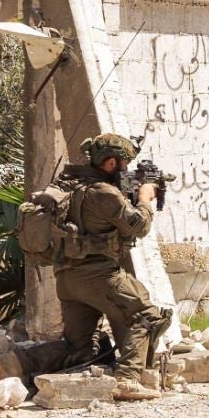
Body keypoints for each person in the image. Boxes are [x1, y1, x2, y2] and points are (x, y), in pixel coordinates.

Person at [55, 133, 171, 402]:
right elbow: (139, 226)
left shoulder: (71, 184)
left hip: (67, 276)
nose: (125, 168)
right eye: (123, 163)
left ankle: (20, 361)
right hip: (99, 274)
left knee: (80, 350)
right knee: (147, 315)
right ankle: (128, 380)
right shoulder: (104, 192)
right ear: (109, 163)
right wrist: (144, 197)